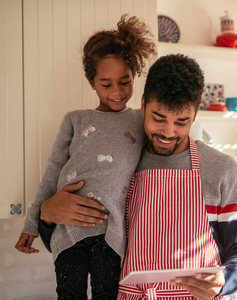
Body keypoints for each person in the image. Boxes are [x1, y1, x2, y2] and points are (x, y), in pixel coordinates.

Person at [14, 14, 157, 299]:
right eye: (106, 84)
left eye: (125, 81)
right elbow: (53, 172)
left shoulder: (141, 121)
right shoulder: (74, 120)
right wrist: (31, 223)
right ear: (91, 82)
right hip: (67, 232)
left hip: (112, 233)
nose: (117, 91)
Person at [117, 54, 237, 300]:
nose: (168, 132)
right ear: (143, 105)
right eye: (158, 118)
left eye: (181, 122)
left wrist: (225, 279)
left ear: (195, 114)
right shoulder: (121, 163)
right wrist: (47, 218)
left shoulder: (222, 169)